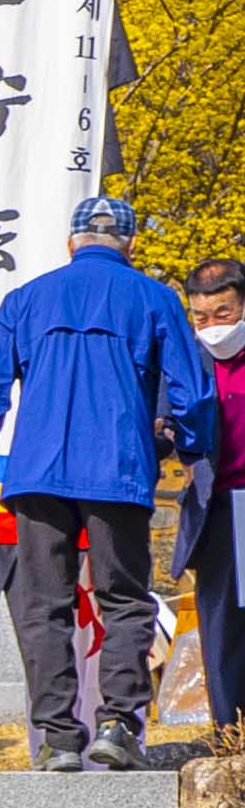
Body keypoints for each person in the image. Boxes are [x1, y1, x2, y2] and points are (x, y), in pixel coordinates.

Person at [0, 192, 215, 773]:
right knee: (124, 598)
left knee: (42, 604)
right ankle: (118, 725)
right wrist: (192, 446)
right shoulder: (154, 297)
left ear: (71, 241)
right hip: (117, 470)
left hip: (36, 473)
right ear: (129, 243)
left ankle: (57, 736)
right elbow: (191, 389)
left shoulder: (24, 299)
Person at [167, 250, 245, 744]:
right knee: (222, 627)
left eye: (224, 314)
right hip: (215, 505)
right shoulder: (185, 358)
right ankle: (230, 735)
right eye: (202, 316)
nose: (213, 325)